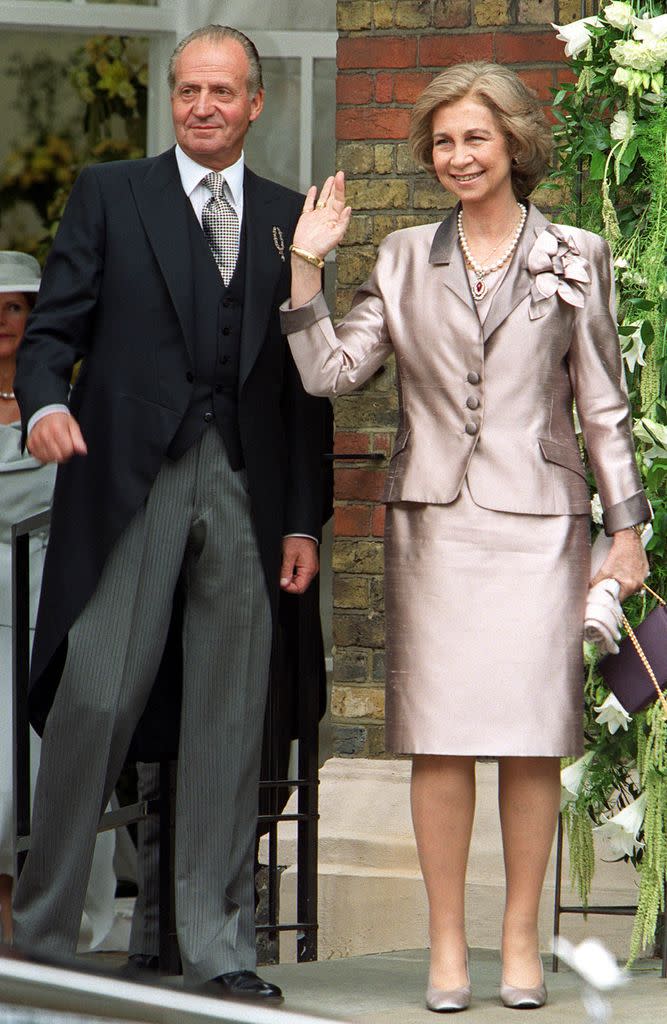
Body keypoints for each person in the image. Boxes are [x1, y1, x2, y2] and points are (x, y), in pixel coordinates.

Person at [280, 62, 650, 1012]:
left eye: (475, 138)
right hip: (435, 530)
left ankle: (519, 939)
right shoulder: (403, 257)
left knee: (532, 741)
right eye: (442, 141)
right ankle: (446, 944)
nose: (458, 156)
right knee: (438, 743)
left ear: (513, 144)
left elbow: (603, 407)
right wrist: (307, 266)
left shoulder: (578, 251)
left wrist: (627, 531)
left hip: (542, 529)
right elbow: (331, 373)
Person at [12, 25, 328, 1003]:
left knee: (232, 719)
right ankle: (44, 933)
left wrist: (304, 522)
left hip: (245, 484)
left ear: (254, 104)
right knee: (95, 699)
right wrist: (47, 404)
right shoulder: (111, 194)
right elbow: (52, 331)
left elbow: (303, 392)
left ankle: (217, 944)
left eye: (221, 91)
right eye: (187, 88)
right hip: (129, 481)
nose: (200, 104)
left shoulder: (288, 219)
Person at [0, 251, 119, 954]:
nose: (2, 322)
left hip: (57, 607)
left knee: (56, 773)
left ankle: (45, 931)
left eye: (15, 306)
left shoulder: (67, 406)